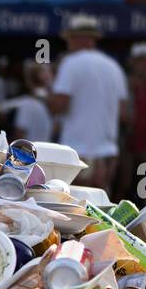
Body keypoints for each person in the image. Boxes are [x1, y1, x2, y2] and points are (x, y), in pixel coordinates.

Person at [49, 14, 128, 190]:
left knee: (76, 208)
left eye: (69, 38)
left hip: (78, 151)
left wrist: (48, 88)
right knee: (100, 207)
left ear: (77, 38)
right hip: (107, 152)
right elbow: (124, 114)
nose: (68, 43)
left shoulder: (70, 63)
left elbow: (58, 105)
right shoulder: (114, 67)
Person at [116, 42, 146, 201]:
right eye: (142, 61)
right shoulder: (124, 83)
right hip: (128, 140)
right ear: (133, 62)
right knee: (123, 183)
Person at [4, 60, 53, 144]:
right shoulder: (51, 104)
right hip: (44, 151)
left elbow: (20, 133)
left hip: (29, 153)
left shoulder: (28, 104)